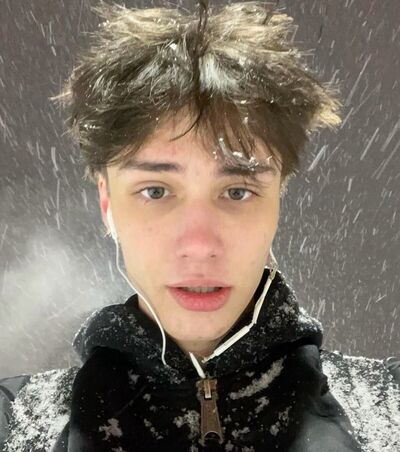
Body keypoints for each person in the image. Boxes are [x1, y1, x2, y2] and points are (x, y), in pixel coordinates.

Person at [1, 1, 399, 451]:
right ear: (107, 203)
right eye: (156, 191)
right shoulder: (10, 422)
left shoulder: (392, 411)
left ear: (278, 198)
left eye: (237, 191)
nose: (199, 244)